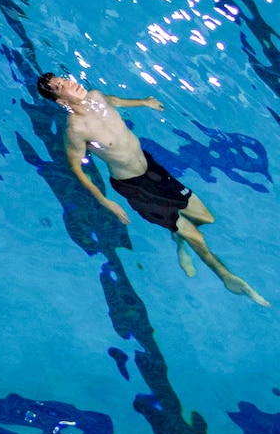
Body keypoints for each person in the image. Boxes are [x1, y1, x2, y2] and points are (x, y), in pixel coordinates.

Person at [37, 73, 268, 306]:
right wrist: (104, 200)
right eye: (60, 86)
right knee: (196, 237)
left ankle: (178, 239)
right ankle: (226, 276)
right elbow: (76, 167)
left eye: (63, 78)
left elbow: (114, 100)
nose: (69, 83)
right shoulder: (76, 129)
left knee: (206, 218)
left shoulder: (96, 96)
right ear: (61, 102)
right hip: (136, 188)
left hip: (152, 169)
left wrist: (144, 102)